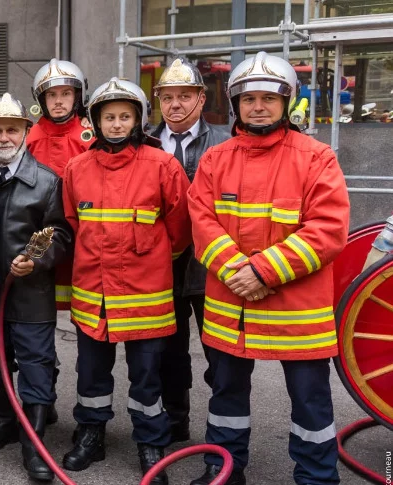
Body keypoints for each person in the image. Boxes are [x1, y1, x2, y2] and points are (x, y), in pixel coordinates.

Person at [187, 51, 350, 485]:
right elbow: (201, 221)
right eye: (248, 98)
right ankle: (223, 468)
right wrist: (239, 269)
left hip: (296, 310)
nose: (258, 106)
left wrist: (263, 271)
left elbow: (328, 229)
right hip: (232, 304)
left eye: (269, 97)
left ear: (287, 102)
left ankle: (316, 478)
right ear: (236, 102)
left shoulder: (317, 158)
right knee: (225, 395)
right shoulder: (215, 160)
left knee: (310, 403)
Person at [60, 78, 191, 485]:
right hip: (93, 293)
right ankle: (91, 435)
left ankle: (150, 441)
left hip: (145, 293)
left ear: (137, 121)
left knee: (147, 375)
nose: (116, 124)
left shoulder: (163, 166)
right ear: (96, 122)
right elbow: (71, 222)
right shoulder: (77, 167)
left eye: (124, 117)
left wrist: (151, 262)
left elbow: (180, 229)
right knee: (90, 375)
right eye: (109, 117)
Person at [0, 93, 72, 482]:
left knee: (36, 366)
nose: (3, 137)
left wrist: (36, 259)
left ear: (26, 133)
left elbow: (61, 233)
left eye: (11, 130)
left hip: (31, 292)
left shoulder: (47, 181)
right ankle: (3, 422)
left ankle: (34, 441)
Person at [149, 58, 231, 445]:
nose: (175, 104)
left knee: (221, 354)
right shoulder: (145, 142)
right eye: (168, 97)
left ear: (201, 98)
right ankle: (176, 421)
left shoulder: (226, 141)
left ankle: (224, 426)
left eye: (184, 96)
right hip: (162, 269)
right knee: (169, 352)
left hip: (211, 268)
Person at [28, 58, 93, 310]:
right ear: (41, 99)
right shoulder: (28, 138)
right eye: (51, 94)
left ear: (78, 96)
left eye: (66, 93)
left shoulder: (91, 138)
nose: (58, 101)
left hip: (82, 239)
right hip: (39, 237)